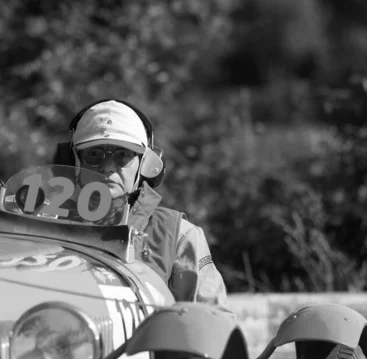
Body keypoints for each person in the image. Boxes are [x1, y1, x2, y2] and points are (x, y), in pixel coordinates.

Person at [54, 99, 235, 315]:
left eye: (123, 156)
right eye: (94, 154)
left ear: (146, 164)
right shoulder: (44, 223)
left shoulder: (179, 235)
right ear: (72, 161)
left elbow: (214, 321)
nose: (107, 167)